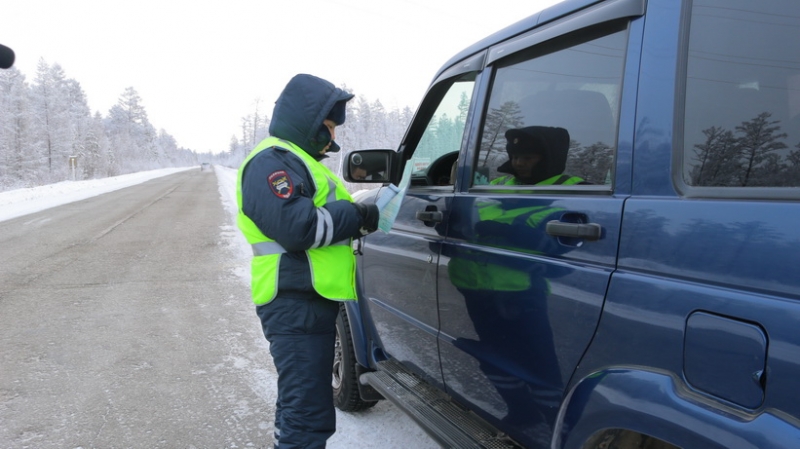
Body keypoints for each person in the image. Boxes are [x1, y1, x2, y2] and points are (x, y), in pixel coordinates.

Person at [236, 73, 379, 449]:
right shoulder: (272, 162)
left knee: (299, 404)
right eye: (327, 126)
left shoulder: (297, 161)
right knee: (308, 415)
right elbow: (298, 228)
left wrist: (355, 220)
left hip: (306, 300)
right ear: (307, 120)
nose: (331, 137)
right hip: (293, 301)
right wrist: (358, 215)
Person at [491, 126, 585, 186]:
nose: (519, 163)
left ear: (549, 160)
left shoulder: (577, 190)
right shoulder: (498, 184)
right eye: (515, 157)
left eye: (527, 158)